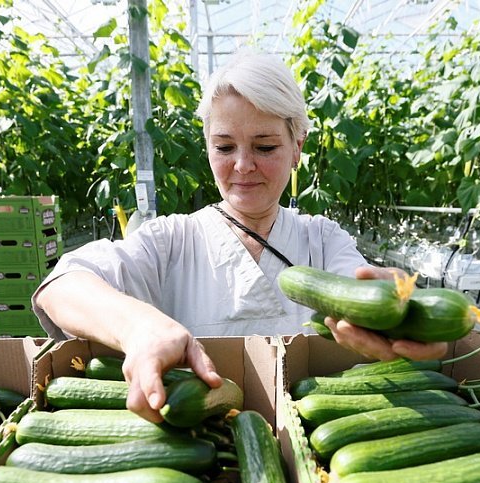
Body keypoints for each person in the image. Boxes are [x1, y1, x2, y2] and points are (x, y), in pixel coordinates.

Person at [33, 49, 446, 423]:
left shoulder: (322, 240)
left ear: (297, 147)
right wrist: (138, 327)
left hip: (308, 443)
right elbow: (62, 286)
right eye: (225, 147)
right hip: (200, 442)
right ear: (208, 146)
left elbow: (355, 282)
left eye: (265, 147)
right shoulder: (171, 239)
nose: (243, 166)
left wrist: (396, 316)